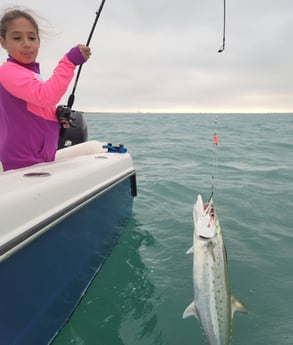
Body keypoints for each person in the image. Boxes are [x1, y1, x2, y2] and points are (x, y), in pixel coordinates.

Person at [0, 7, 91, 171]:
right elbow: (46, 96)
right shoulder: (8, 71)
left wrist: (55, 117)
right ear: (3, 42)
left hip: (40, 161)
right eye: (17, 38)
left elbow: (35, 106)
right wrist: (68, 62)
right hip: (22, 163)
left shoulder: (31, 73)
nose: (27, 44)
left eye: (32, 38)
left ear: (38, 41)